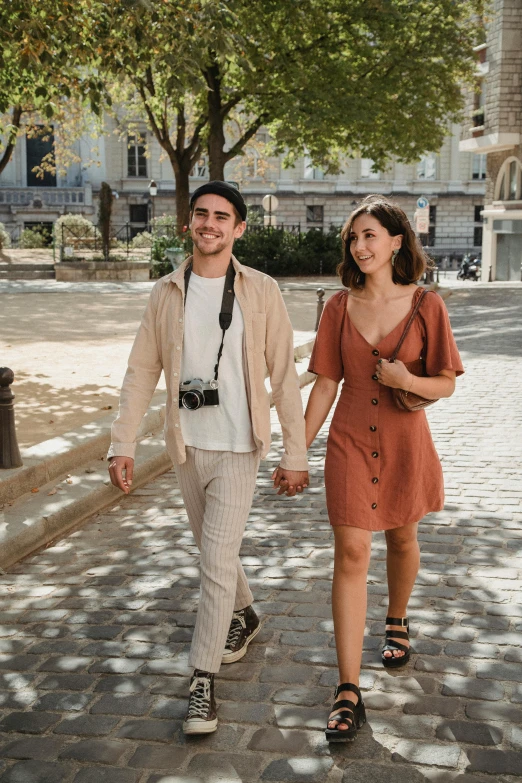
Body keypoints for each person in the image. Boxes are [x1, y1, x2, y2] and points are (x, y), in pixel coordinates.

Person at [108, 181, 309, 735]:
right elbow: (141, 371)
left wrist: (296, 451)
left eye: (223, 217)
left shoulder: (261, 290)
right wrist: (121, 442)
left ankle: (202, 682)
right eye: (202, 214)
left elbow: (285, 378)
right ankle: (244, 613)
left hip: (240, 446)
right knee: (215, 553)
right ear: (188, 222)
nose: (211, 224)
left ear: (239, 228)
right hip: (186, 446)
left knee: (213, 560)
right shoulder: (166, 292)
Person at [305, 195, 464, 743]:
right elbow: (326, 383)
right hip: (349, 440)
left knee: (402, 539)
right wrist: (297, 449)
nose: (360, 246)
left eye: (370, 235)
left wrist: (408, 383)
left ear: (397, 241)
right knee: (351, 552)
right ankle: (348, 689)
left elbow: (445, 380)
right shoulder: (336, 308)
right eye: (353, 237)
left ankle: (396, 617)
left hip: (404, 440)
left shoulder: (428, 306)